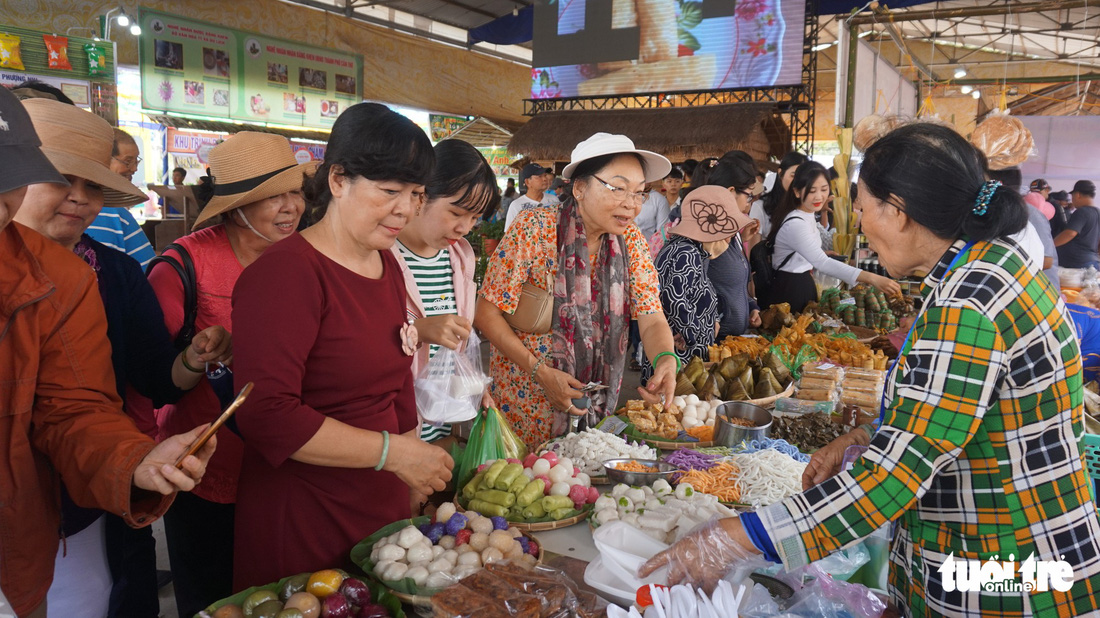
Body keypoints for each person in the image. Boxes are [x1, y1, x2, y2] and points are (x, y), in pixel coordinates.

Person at [642, 123, 1100, 616]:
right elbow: (957, 416)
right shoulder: (990, 267)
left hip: (1003, 569)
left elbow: (896, 475)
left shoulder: (970, 304)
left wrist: (741, 536)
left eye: (861, 209)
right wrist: (867, 435)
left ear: (897, 210)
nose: (858, 224)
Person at [0, 81, 213, 618]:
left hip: (71, 505)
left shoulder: (86, 278)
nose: (77, 197)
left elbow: (75, 407)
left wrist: (136, 459)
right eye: (58, 180)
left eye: (90, 185)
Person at [231, 103, 454, 588]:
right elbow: (265, 413)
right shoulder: (286, 273)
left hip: (379, 504)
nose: (406, 209)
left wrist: (410, 462)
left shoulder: (385, 262)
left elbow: (397, 373)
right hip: (305, 508)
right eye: (390, 192)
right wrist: (393, 454)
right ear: (338, 180)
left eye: (416, 195)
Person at [144, 131, 317, 618]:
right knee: (212, 601)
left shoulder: (308, 258)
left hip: (289, 468)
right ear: (233, 206)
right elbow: (156, 382)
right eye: (270, 196)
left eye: (295, 191)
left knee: (281, 599)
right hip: (206, 474)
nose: (290, 207)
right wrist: (196, 358)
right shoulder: (182, 265)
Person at [475, 132, 680, 448]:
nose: (631, 204)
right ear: (580, 187)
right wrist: (541, 372)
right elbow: (486, 312)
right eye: (618, 188)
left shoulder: (632, 242)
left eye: (640, 192)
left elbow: (651, 317)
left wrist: (665, 358)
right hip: (526, 404)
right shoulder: (536, 229)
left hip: (594, 413)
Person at [391, 139, 500, 444]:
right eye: (456, 212)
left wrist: (472, 383)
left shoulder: (460, 258)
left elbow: (457, 347)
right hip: (394, 431)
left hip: (442, 427)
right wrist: (418, 331)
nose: (465, 227)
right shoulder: (383, 256)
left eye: (475, 218)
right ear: (421, 195)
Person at [760, 161, 899, 312]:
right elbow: (822, 263)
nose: (819, 196)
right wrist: (872, 278)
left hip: (802, 283)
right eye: (812, 191)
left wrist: (820, 253)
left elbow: (804, 253)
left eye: (824, 189)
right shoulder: (796, 224)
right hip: (789, 290)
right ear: (797, 192)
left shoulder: (807, 216)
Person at [645, 186, 751, 380]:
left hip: (684, 352)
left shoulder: (692, 251)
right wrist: (692, 334)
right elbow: (673, 298)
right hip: (680, 357)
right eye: (727, 232)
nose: (729, 238)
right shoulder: (687, 253)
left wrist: (713, 321)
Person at [698, 152, 762, 338]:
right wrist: (714, 318)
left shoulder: (732, 231)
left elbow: (735, 280)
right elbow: (698, 285)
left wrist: (751, 307)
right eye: (749, 196)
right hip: (714, 341)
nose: (750, 203)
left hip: (732, 337)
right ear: (731, 192)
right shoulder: (707, 233)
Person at [84, 128, 158, 270]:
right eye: (128, 161)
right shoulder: (110, 212)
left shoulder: (114, 212)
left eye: (136, 161)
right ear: (103, 159)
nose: (134, 168)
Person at [751, 151, 808, 238]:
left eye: (802, 177)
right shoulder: (760, 206)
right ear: (780, 173)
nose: (797, 181)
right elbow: (753, 248)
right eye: (793, 176)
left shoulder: (805, 205)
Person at [1055, 180, 1100, 270]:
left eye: (1072, 196)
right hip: (1092, 263)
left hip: (1076, 265)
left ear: (1077, 195)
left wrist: (1051, 245)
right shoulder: (1098, 213)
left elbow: (1070, 233)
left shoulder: (1082, 212)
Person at [504, 163, 554, 230]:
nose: (545, 179)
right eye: (539, 176)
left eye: (545, 175)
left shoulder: (554, 200)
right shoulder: (516, 205)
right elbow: (509, 234)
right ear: (527, 182)